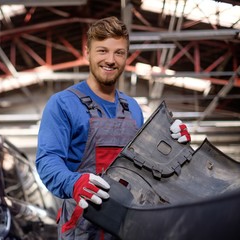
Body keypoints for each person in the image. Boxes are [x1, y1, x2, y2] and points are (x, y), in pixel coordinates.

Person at [35, 16, 190, 239]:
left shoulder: (133, 108)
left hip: (129, 226)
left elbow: (147, 165)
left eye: (119, 52)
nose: (110, 60)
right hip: (81, 227)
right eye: (102, 51)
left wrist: (174, 143)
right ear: (87, 52)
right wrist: (74, 182)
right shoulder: (63, 104)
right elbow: (47, 161)